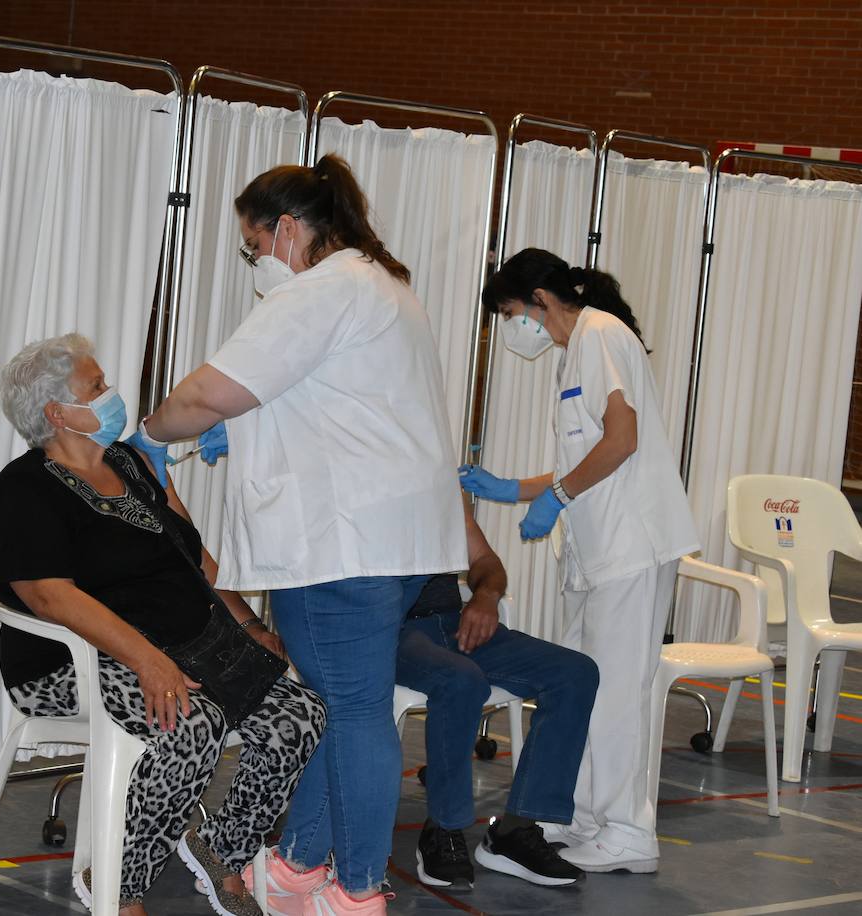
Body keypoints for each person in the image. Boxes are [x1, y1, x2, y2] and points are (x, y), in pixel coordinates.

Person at [134, 155, 469, 915]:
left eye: (253, 246)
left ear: (287, 231)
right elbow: (323, 400)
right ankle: (297, 865)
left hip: (341, 544)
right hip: (393, 538)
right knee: (338, 704)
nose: (255, 262)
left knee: (350, 713)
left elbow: (204, 394)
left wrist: (148, 437)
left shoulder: (321, 290)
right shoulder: (383, 285)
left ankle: (356, 890)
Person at [0, 333, 327, 916]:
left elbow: (191, 556)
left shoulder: (131, 464)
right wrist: (146, 659)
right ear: (56, 413)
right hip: (73, 663)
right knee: (191, 725)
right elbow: (49, 597)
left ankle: (221, 848)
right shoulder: (22, 492)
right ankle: (119, 882)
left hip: (186, 646)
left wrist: (244, 623)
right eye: (96, 387)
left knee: (299, 717)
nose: (112, 395)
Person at [460, 247, 700, 874]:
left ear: (539, 301)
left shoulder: (599, 333)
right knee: (585, 685)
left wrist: (557, 497)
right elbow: (585, 455)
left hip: (631, 546)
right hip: (596, 553)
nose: (515, 330)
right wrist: (516, 489)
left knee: (618, 692)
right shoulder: (575, 349)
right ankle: (589, 816)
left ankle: (628, 832)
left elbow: (623, 441)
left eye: (511, 314)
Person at [400, 503, 598, 890]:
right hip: (393, 629)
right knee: (461, 680)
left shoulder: (440, 484)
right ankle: (444, 827)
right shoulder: (359, 474)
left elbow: (484, 559)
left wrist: (486, 595)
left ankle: (515, 829)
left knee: (574, 673)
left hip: (451, 622)